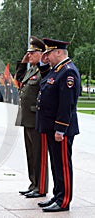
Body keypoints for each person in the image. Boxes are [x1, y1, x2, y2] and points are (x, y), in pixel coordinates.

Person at [36, 38, 80, 212]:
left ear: (59, 52)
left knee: (62, 164)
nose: (47, 57)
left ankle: (64, 200)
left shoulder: (68, 72)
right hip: (52, 127)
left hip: (61, 128)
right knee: (55, 164)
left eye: (49, 54)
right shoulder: (57, 70)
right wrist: (43, 61)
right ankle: (57, 195)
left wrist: (60, 128)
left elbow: (66, 104)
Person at [15, 36, 48, 199]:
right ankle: (33, 183)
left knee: (38, 154)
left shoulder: (43, 70)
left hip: (36, 118)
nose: (29, 56)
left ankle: (40, 187)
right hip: (27, 117)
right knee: (30, 154)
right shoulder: (31, 69)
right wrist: (23, 61)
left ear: (42, 54)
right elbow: (18, 79)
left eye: (32, 53)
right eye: (28, 53)